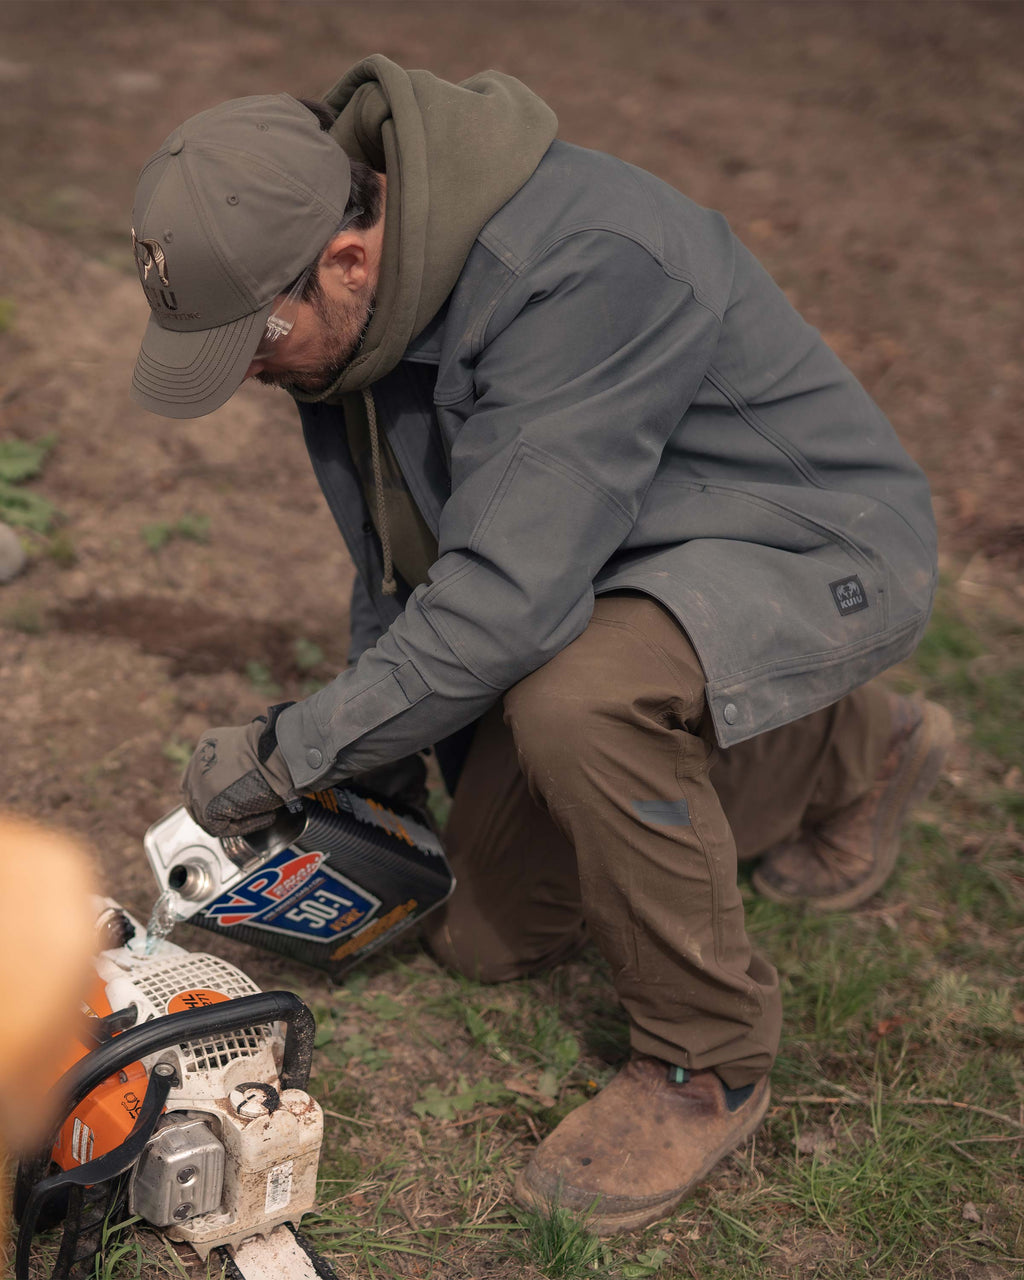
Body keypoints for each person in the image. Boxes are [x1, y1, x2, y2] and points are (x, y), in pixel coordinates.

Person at [128, 59, 951, 1233]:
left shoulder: (580, 264)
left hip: (797, 539)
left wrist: (290, 748)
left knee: (576, 701)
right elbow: (400, 555)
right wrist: (373, 755)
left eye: (251, 341)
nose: (248, 372)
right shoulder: (351, 311)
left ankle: (703, 1057)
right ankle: (843, 750)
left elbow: (505, 607)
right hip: (606, 554)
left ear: (346, 262)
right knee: (484, 932)